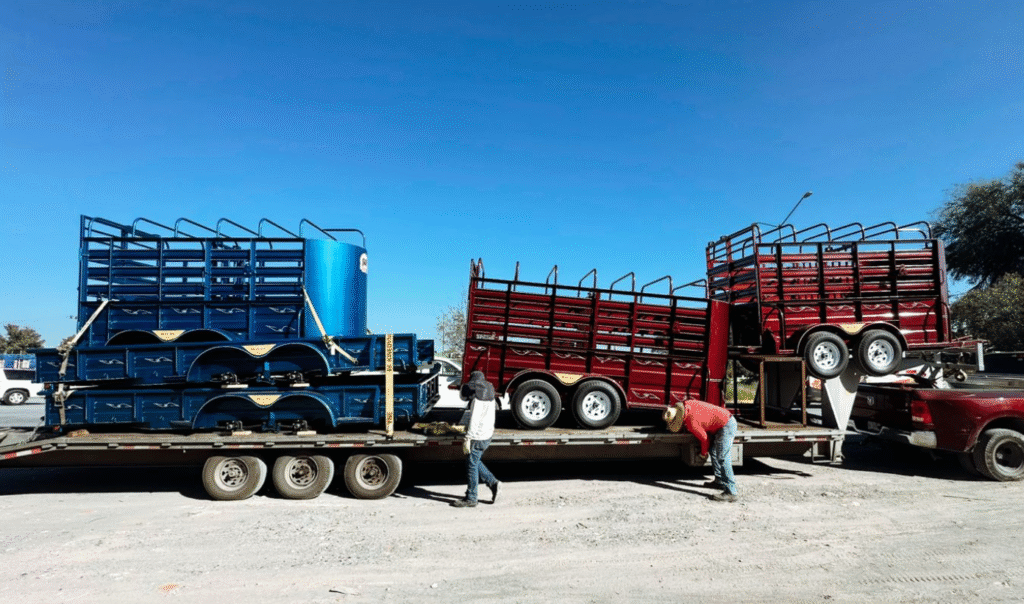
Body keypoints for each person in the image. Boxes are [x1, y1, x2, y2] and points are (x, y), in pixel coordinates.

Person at [663, 398, 738, 502]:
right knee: (713, 451)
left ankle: (731, 492)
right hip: (724, 421)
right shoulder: (688, 403)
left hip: (726, 425)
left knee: (723, 457)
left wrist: (703, 453)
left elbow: (704, 439)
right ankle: (719, 481)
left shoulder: (691, 423)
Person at [451, 371, 501, 508]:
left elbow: (474, 420)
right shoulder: (490, 396)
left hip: (478, 436)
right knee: (474, 460)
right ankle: (493, 483)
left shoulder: (477, 400)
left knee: (471, 465)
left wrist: (468, 438)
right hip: (487, 434)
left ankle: (472, 498)